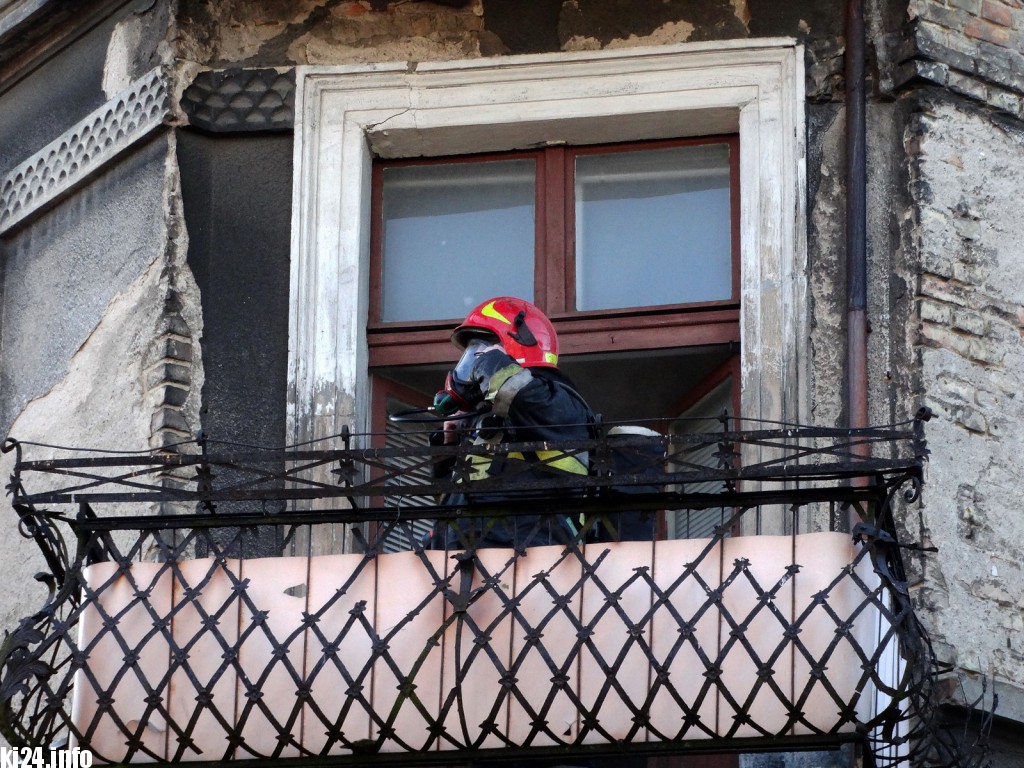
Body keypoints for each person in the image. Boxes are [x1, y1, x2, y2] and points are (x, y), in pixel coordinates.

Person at [426, 296, 595, 549]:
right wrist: (447, 453)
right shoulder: (483, 421)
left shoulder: (558, 402)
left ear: (519, 346)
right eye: (471, 354)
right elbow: (455, 503)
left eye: (481, 351)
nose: (472, 363)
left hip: (536, 564)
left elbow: (521, 393)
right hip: (462, 567)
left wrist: (491, 364)